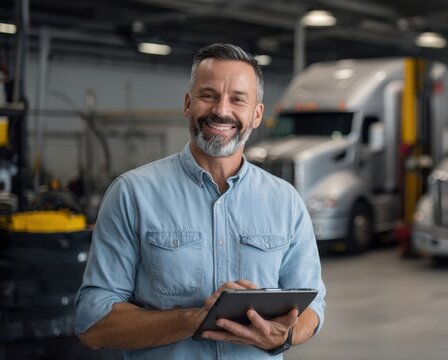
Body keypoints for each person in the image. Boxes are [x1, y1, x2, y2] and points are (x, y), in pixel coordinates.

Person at [74, 43, 326, 359]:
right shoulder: (132, 194)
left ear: (257, 114)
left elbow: (313, 305)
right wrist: (196, 318)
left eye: (238, 99)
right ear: (187, 104)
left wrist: (283, 335)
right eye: (208, 95)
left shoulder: (285, 201)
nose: (221, 110)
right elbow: (92, 322)